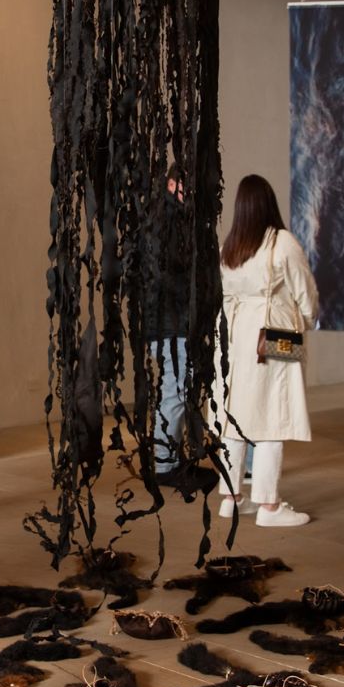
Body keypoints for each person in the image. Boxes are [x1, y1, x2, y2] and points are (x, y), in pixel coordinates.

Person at [216, 174, 319, 527]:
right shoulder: (282, 242)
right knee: (274, 415)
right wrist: (305, 321)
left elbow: (223, 295)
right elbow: (305, 293)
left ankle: (231, 498)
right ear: (268, 203)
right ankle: (270, 507)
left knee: (235, 416)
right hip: (276, 331)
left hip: (234, 334)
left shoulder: (231, 246)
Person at [144, 164, 190, 482]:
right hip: (170, 326)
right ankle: (163, 462)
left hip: (166, 325)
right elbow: (164, 277)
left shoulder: (164, 218)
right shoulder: (166, 221)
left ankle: (169, 458)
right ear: (172, 183)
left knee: (174, 390)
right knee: (175, 392)